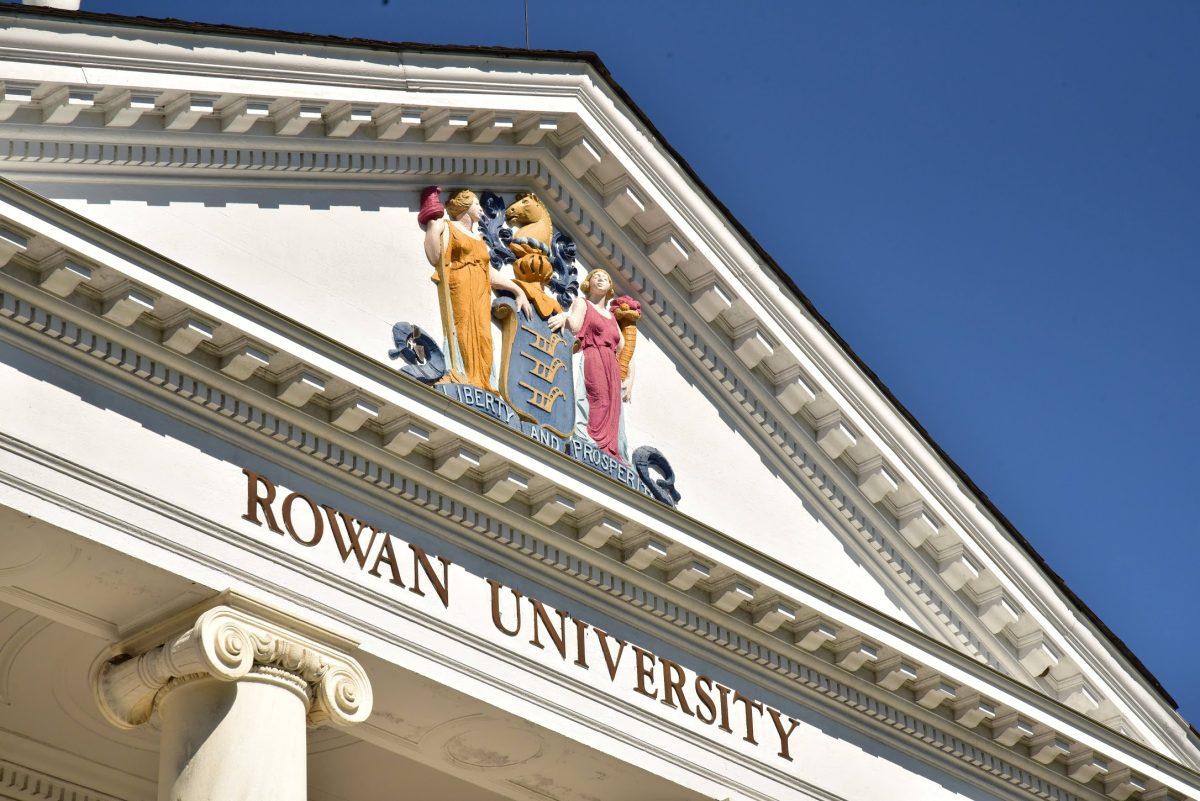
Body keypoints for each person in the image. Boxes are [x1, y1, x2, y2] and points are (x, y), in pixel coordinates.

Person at [423, 188, 530, 389]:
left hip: (481, 290)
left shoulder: (479, 239)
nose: (481, 209)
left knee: (483, 335)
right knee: (463, 328)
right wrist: (432, 228)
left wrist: (518, 290)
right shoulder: (448, 227)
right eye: (476, 204)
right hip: (460, 284)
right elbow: (436, 257)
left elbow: (489, 273)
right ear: (464, 205)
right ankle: (461, 374)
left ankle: (483, 382)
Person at [548, 269, 632, 458]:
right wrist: (564, 317)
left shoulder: (612, 318)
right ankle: (589, 438)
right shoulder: (582, 303)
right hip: (593, 356)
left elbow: (623, 349)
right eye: (596, 277)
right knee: (597, 398)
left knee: (613, 406)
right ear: (588, 282)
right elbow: (576, 325)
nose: (601, 279)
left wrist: (630, 379)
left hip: (612, 366)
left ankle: (609, 450)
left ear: (610, 287)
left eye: (605, 278)